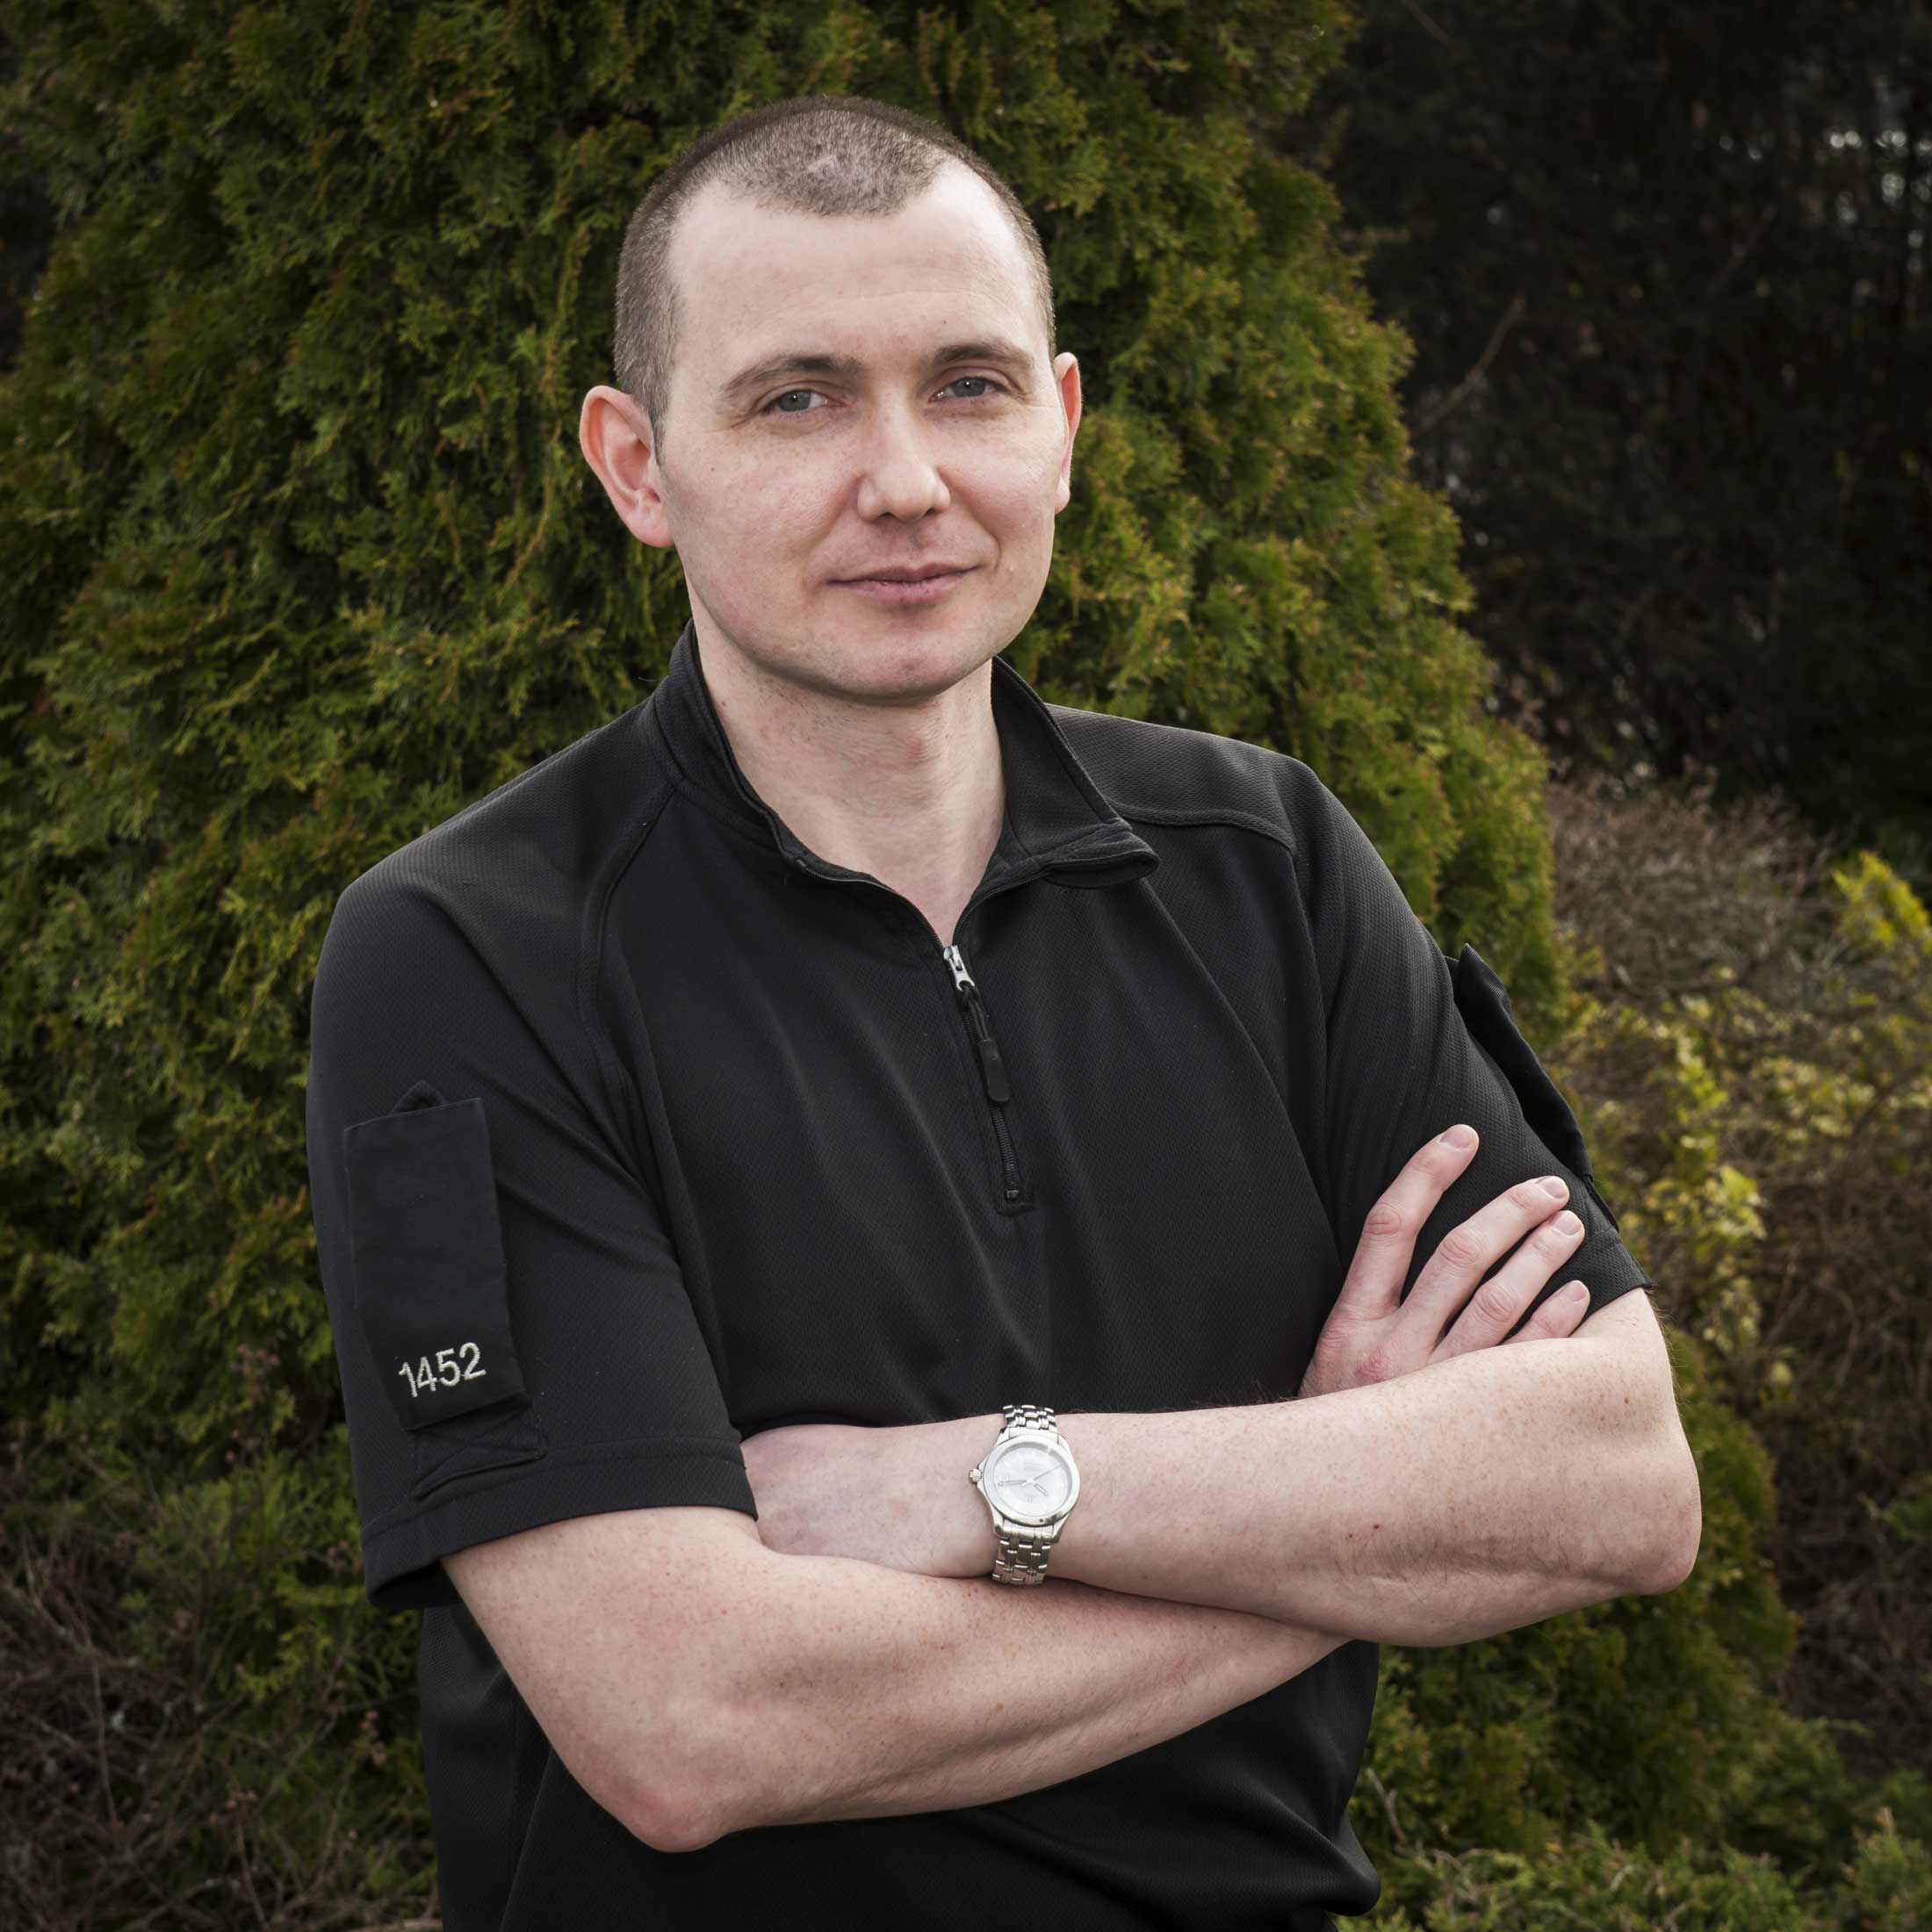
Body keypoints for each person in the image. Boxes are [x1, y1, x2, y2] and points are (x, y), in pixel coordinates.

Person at [304, 92, 1700, 1932]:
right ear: (638, 467)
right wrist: (1339, 1514)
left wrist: (992, 1480)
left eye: (964, 386)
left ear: (1057, 427)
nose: (903, 480)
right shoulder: (468, 951)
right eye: (796, 397)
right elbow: (685, 1718)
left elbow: (1615, 1485)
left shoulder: (1260, 858)